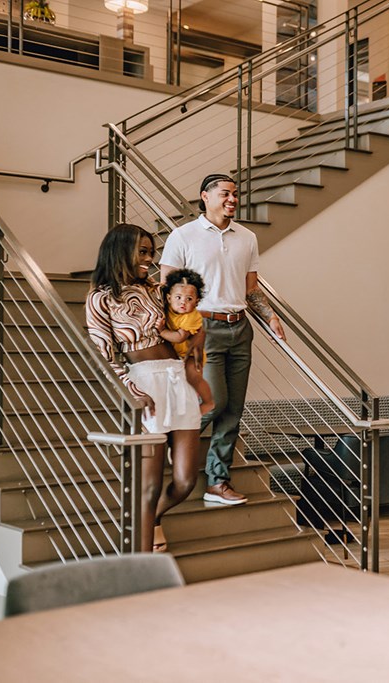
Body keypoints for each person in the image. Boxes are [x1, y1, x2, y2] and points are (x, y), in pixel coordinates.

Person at [161, 173, 286, 506]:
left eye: (235, 195)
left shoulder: (246, 237)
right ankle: (169, 438)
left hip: (240, 327)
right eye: (225, 194)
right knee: (213, 402)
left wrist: (271, 317)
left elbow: (251, 288)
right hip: (204, 328)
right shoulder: (183, 236)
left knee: (233, 410)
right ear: (205, 196)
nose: (232, 200)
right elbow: (168, 289)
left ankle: (217, 482)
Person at [86, 223, 203, 552]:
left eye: (152, 253)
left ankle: (150, 520)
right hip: (144, 383)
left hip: (178, 379)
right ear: (120, 250)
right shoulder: (100, 298)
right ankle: (142, 564)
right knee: (148, 486)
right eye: (143, 252)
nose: (150, 260)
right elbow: (103, 355)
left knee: (185, 481)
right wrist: (131, 391)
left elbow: (185, 313)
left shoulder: (155, 289)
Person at [159, 268, 215, 415]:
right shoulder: (166, 309)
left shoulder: (192, 316)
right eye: (178, 297)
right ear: (169, 298)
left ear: (196, 302)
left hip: (189, 355)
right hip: (173, 354)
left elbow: (180, 337)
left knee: (193, 377)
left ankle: (208, 402)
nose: (183, 302)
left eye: (189, 299)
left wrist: (161, 332)